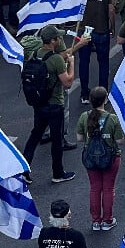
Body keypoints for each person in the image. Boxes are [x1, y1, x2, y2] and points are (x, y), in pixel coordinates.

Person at [22, 26, 89, 184]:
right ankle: (58, 173)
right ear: (52, 41)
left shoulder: (36, 53)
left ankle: (23, 169)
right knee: (57, 140)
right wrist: (71, 64)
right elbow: (67, 82)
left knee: (35, 135)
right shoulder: (57, 60)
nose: (60, 40)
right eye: (58, 38)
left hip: (39, 103)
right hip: (54, 104)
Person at [76, 87, 123, 231]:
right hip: (110, 157)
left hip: (90, 158)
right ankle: (107, 220)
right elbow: (120, 140)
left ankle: (96, 221)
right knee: (108, 188)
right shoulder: (112, 118)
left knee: (95, 188)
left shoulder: (84, 116)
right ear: (105, 100)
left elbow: (79, 138)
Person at [77, 0, 114, 97]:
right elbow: (111, 10)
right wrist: (112, 27)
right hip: (101, 30)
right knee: (103, 63)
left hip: (85, 31)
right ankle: (102, 93)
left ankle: (84, 94)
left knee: (84, 62)